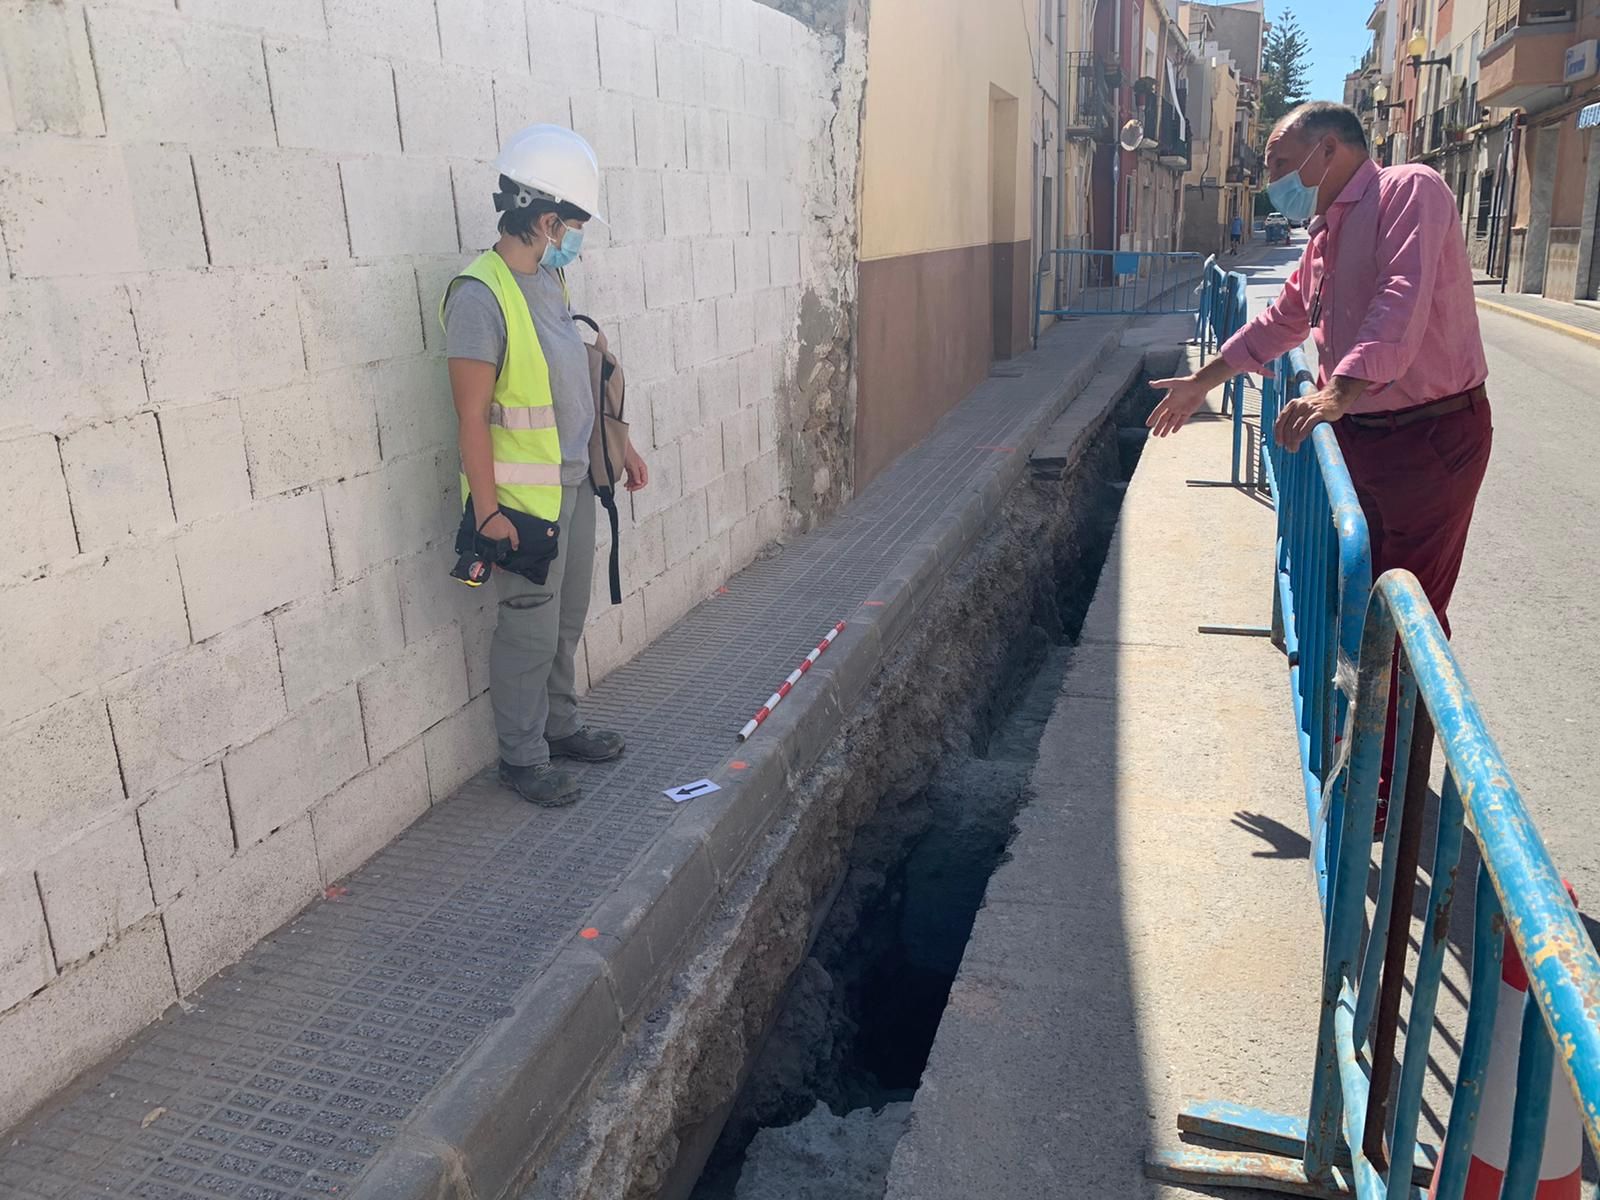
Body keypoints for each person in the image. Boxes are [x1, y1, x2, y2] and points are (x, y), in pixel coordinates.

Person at [1147, 100, 1492, 816]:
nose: (1273, 178)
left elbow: (1399, 303)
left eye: (1280, 164)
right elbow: (1284, 320)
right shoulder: (1328, 232)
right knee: (1356, 598)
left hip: (1428, 436)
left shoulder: (1410, 191)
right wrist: (1202, 382)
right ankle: (1363, 759)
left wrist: (1335, 393)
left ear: (1328, 151)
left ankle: (1385, 786)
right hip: (1367, 434)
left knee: (1402, 613)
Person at [443, 124, 649, 808]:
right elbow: (472, 416)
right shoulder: (481, 296)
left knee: (566, 619)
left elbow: (570, 381)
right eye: (576, 224)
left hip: (576, 484)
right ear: (548, 218)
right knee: (528, 627)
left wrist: (618, 449)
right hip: (524, 504)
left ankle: (561, 729)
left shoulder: (551, 279)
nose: (579, 238)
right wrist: (488, 513)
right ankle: (523, 758)